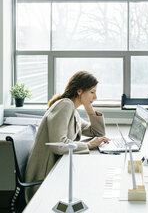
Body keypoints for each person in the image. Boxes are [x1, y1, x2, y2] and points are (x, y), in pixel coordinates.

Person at [25, 71, 109, 203]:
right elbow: (59, 145)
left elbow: (97, 132)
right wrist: (88, 145)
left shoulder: (72, 109)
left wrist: (89, 108)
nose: (96, 97)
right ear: (80, 91)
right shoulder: (65, 105)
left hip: (58, 168)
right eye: (92, 92)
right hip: (46, 174)